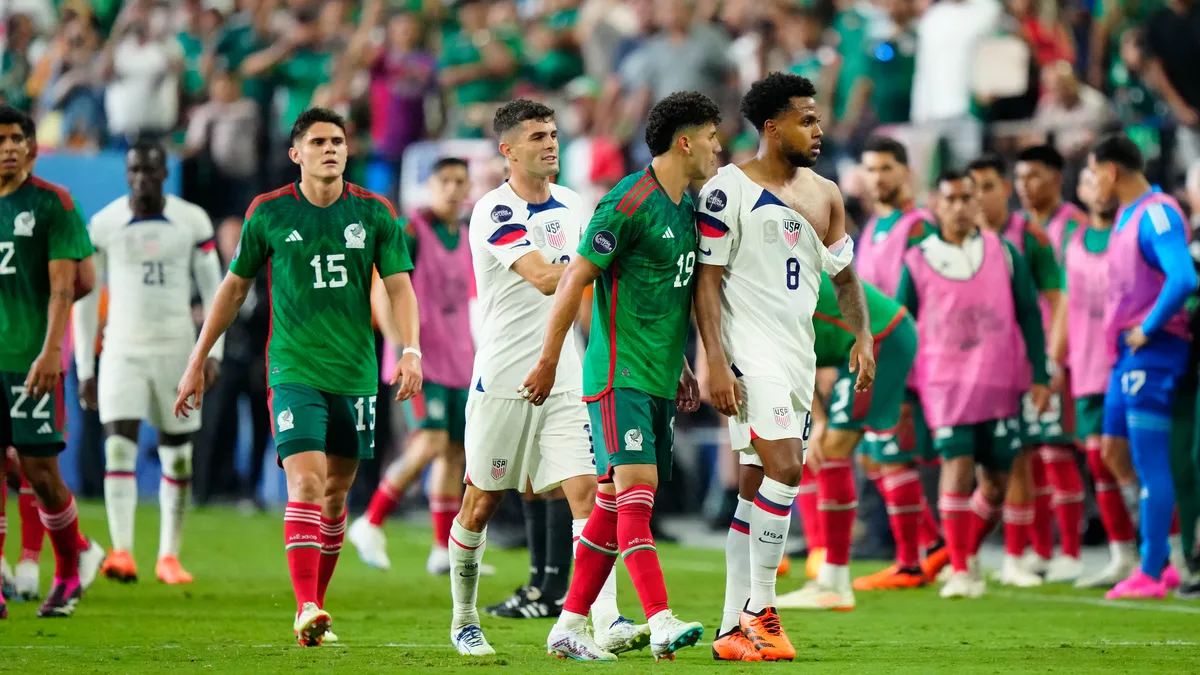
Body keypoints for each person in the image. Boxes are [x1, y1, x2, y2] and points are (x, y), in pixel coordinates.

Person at [173, 107, 423, 645]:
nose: (330, 149)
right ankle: (306, 604)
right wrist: (199, 358)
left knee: (336, 493)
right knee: (306, 482)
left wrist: (410, 350)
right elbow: (233, 288)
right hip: (292, 370)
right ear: (296, 154)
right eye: (318, 142)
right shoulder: (268, 212)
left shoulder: (376, 213)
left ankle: (316, 605)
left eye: (337, 141)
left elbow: (400, 287)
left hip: (355, 375)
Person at [443, 99, 647, 658]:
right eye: (537, 136)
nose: (551, 144)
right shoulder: (494, 210)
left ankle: (600, 621)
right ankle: (463, 619)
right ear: (507, 150)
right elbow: (542, 277)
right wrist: (606, 265)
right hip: (506, 378)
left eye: (554, 134)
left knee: (589, 493)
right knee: (481, 503)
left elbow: (580, 296)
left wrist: (606, 346)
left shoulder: (573, 204)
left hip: (563, 375)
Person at [524, 91, 720, 662]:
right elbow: (574, 281)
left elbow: (662, 296)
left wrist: (682, 364)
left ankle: (566, 626)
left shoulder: (686, 207)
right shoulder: (626, 204)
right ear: (685, 141)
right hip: (618, 374)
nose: (717, 146)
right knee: (637, 497)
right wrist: (547, 358)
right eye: (711, 135)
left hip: (657, 377)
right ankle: (659, 620)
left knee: (611, 505)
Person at [692, 72, 872, 661]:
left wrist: (863, 336)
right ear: (772, 126)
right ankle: (761, 610)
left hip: (795, 355)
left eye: (818, 119)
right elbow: (707, 283)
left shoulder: (826, 194)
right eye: (806, 119)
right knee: (788, 469)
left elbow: (845, 278)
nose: (819, 129)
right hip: (750, 353)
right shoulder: (726, 190)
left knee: (753, 494)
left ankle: (728, 631)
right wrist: (716, 361)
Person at [72, 138, 223, 586]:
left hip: (178, 349)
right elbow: (85, 300)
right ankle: (121, 550)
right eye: (134, 170)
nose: (141, 179)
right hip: (121, 348)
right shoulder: (104, 224)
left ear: (164, 173)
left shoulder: (191, 220)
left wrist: (210, 353)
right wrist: (85, 366)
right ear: (126, 174)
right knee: (118, 444)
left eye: (150, 171)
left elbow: (217, 291)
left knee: (177, 457)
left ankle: (168, 557)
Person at [896, 169, 1049, 600]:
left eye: (967, 198)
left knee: (997, 483)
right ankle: (963, 569)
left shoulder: (1003, 253)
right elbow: (902, 324)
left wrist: (1039, 374)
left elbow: (1030, 314)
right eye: (951, 199)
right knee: (958, 468)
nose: (960, 206)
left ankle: (961, 553)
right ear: (936, 206)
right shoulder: (919, 258)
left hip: (1000, 382)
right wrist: (903, 390)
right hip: (944, 385)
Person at [0, 104, 106, 619]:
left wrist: (50, 351)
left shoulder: (53, 204)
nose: (10, 147)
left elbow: (70, 284)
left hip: (30, 358)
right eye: (1, 139)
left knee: (40, 472)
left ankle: (70, 567)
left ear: (33, 147)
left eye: (18, 138)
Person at [350, 157, 479, 576]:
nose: (453, 189)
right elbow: (382, 290)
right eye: (445, 181)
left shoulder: (467, 233)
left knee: (456, 452)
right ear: (429, 185)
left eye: (461, 181)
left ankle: (443, 548)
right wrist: (403, 346)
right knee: (428, 443)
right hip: (421, 359)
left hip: (460, 357)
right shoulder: (412, 231)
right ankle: (371, 521)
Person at [1087, 134, 1197, 600]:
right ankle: (1155, 551)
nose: (1090, 184)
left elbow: (1185, 277)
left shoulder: (1156, 211)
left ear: (1112, 171)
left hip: (1152, 350)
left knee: (1151, 462)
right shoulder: (1126, 219)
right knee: (1112, 450)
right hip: (1125, 355)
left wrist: (1149, 327)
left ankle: (1155, 569)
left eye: (1093, 174)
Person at [846, 135, 947, 589]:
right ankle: (935, 543)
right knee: (875, 458)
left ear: (905, 172)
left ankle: (911, 560)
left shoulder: (919, 226)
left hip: (904, 360)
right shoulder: (872, 228)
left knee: (894, 457)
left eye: (886, 168)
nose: (878, 177)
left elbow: (922, 299)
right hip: (875, 358)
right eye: (871, 168)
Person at [968, 154, 1064, 587]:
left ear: (1004, 189)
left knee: (1021, 458)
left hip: (1019, 368)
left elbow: (1053, 303)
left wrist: (1048, 363)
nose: (980, 197)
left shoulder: (1030, 237)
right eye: (972, 190)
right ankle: (957, 556)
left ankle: (1016, 556)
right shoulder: (952, 242)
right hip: (968, 372)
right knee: (976, 467)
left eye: (988, 187)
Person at [1048, 167, 1139, 589]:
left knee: (1136, 458)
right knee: (1098, 461)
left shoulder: (1130, 231)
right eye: (1087, 182)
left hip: (1128, 360)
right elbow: (1065, 301)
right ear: (1081, 192)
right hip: (1085, 366)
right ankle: (1123, 554)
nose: (1098, 190)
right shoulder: (1074, 239)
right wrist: (1055, 358)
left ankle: (1164, 550)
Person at [1013, 144, 1090, 582]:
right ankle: (1041, 551)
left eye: (1036, 176)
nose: (1027, 186)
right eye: (1021, 178)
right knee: (1031, 454)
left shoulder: (1075, 226)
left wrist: (1057, 358)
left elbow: (1070, 298)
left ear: (1058, 177)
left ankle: (1073, 553)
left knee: (1058, 450)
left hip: (1066, 356)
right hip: (1025, 356)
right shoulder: (1019, 228)